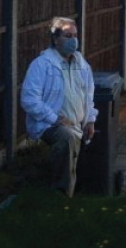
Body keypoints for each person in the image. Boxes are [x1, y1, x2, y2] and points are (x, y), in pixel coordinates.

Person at [21, 16, 97, 197]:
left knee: (85, 142)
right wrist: (55, 118)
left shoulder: (82, 64)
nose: (73, 40)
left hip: (76, 124)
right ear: (55, 39)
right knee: (67, 137)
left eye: (75, 35)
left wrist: (90, 120)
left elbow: (88, 95)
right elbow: (29, 100)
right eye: (68, 36)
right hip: (49, 125)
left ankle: (81, 193)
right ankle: (60, 195)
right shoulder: (41, 65)